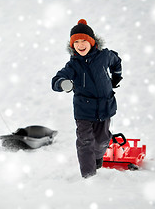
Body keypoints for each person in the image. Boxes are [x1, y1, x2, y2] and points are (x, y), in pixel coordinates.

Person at [52, 19, 122, 178]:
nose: (80, 44)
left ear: (92, 42)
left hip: (105, 107)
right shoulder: (73, 65)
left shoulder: (104, 56)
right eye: (76, 41)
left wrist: (116, 76)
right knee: (85, 143)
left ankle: (97, 159)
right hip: (84, 110)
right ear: (72, 45)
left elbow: (116, 60)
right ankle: (89, 176)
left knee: (102, 140)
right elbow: (57, 79)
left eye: (84, 40)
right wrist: (62, 83)